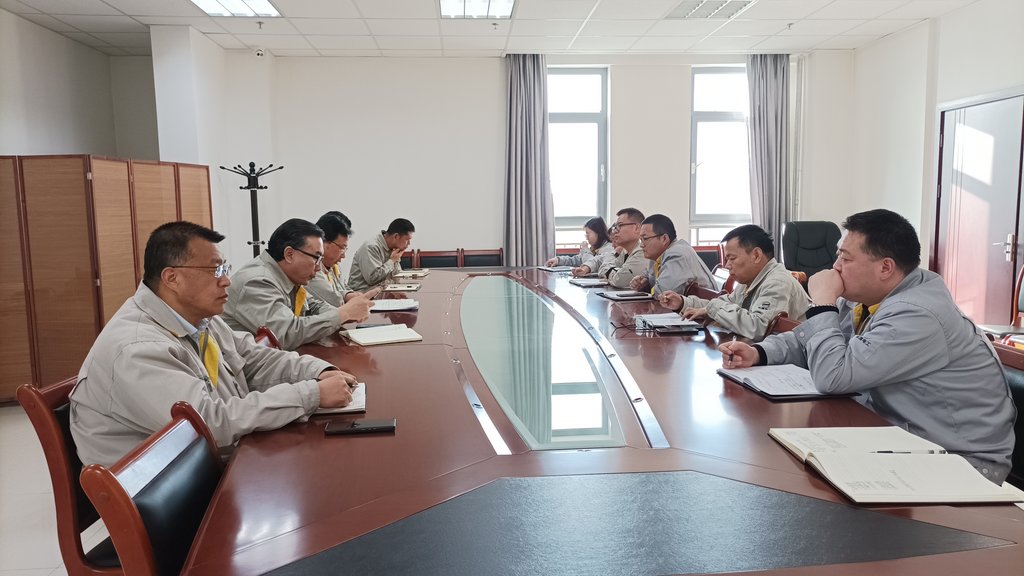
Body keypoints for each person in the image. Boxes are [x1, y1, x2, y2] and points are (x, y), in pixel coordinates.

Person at [720, 209, 1016, 483]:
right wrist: (760, 352)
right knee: (786, 462)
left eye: (845, 259)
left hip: (959, 460)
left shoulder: (917, 313)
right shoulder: (868, 295)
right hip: (899, 436)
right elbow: (809, 338)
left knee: (802, 482)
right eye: (837, 255)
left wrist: (823, 305)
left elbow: (833, 376)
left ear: (885, 267)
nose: (835, 267)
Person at [70, 221, 361, 467]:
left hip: (208, 462)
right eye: (215, 271)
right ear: (172, 278)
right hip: (168, 491)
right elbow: (209, 421)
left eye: (225, 269)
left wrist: (319, 371)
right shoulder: (137, 348)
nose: (226, 282)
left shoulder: (198, 319)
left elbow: (254, 358)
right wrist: (310, 394)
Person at [222, 218, 372, 350]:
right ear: (289, 254)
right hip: (245, 368)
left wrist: (344, 314)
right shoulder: (257, 282)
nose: (319, 267)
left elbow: (313, 306)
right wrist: (342, 314)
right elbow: (285, 334)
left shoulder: (287, 276)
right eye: (316, 258)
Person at [659, 224, 810, 340]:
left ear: (756, 255)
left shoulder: (777, 282)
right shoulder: (750, 280)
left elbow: (757, 327)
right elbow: (723, 303)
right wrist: (682, 303)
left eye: (732, 258)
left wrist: (713, 309)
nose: (727, 265)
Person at [306, 211, 380, 307]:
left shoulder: (332, 265)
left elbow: (344, 288)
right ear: (323, 242)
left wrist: (350, 294)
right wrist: (348, 296)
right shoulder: (311, 266)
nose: (343, 255)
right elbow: (334, 301)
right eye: (341, 248)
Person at [629, 214, 714, 296]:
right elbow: (648, 278)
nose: (641, 245)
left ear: (664, 239)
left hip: (704, 305)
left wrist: (648, 287)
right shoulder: (656, 255)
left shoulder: (678, 254)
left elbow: (662, 293)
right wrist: (642, 282)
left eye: (645, 238)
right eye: (641, 239)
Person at [574, 208, 648, 288]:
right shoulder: (625, 252)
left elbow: (619, 280)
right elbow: (603, 264)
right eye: (615, 227)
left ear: (636, 228)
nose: (615, 231)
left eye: (620, 225)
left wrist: (609, 271)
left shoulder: (642, 252)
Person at [348, 218, 415, 292]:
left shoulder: (393, 248)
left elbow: (396, 276)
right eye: (407, 240)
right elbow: (372, 279)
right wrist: (392, 261)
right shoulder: (371, 247)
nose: (409, 244)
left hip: (383, 290)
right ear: (396, 236)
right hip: (363, 293)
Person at [545, 217, 614, 268]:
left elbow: (591, 264)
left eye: (588, 234)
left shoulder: (609, 248)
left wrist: (585, 249)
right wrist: (558, 260)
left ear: (598, 233)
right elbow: (575, 260)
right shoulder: (594, 248)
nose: (586, 237)